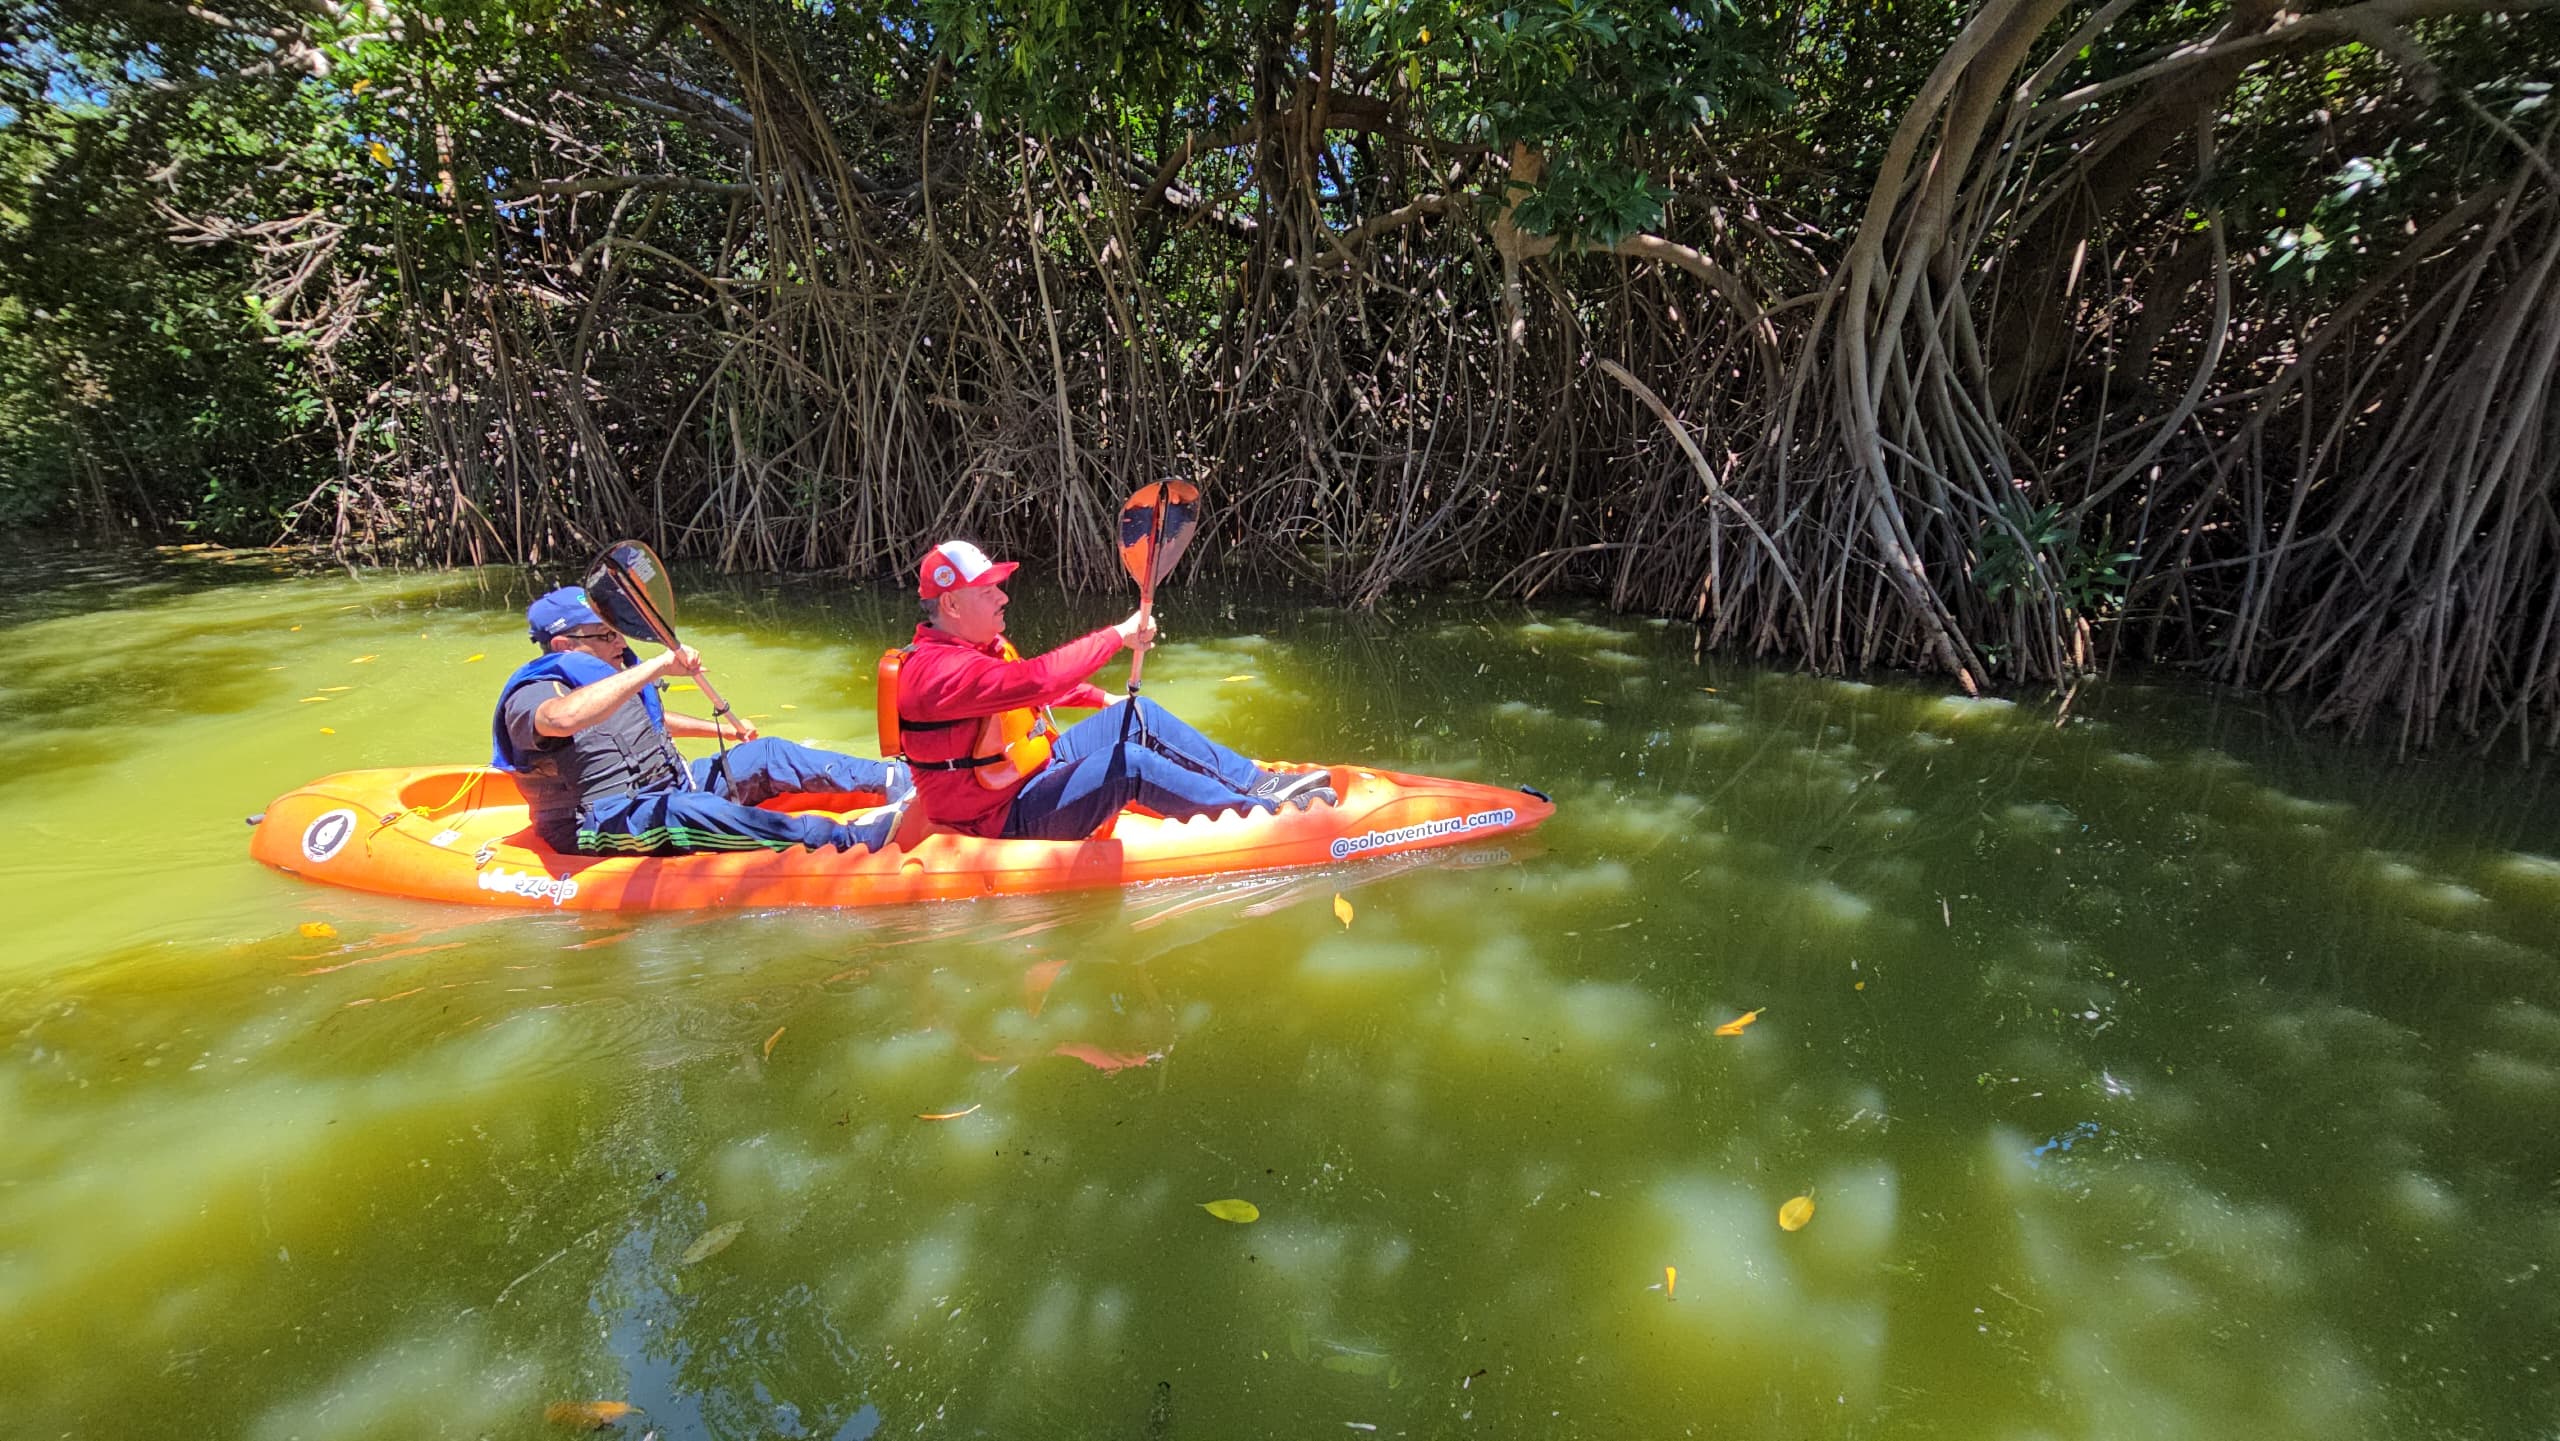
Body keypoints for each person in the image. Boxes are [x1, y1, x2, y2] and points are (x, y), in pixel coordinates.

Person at [884, 540, 1333, 841]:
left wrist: (1103, 700)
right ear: (951, 603)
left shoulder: (974, 648)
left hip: (1031, 774)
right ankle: (1260, 817)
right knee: (1128, 765)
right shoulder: (937, 672)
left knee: (1138, 715)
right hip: (997, 817)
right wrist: (1117, 636)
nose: (1003, 597)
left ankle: (1260, 783)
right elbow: (1037, 680)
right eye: (987, 591)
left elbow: (1021, 693)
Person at [493, 585, 912, 856]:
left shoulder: (608, 676)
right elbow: (562, 720)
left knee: (767, 753)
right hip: (596, 823)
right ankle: (848, 841)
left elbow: (645, 722)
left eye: (616, 631)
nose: (619, 642)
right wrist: (656, 666)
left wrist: (728, 732)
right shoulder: (533, 694)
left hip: (670, 784)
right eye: (605, 635)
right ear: (564, 644)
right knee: (687, 810)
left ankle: (902, 779)